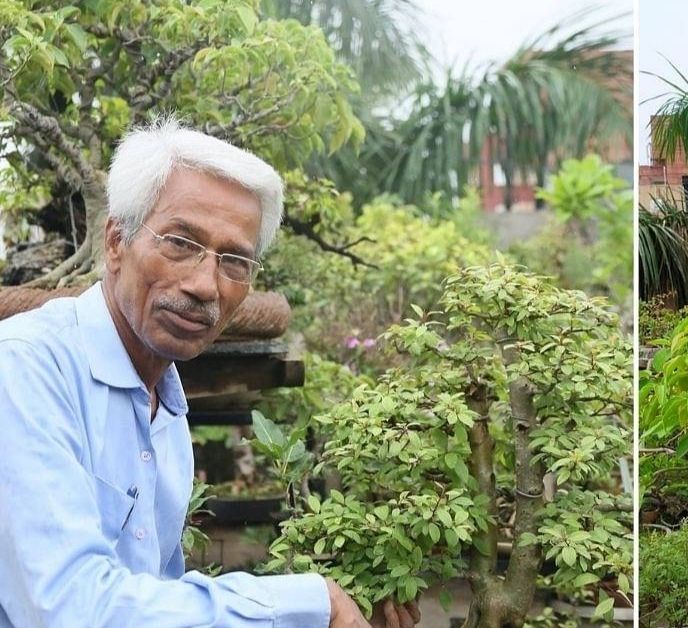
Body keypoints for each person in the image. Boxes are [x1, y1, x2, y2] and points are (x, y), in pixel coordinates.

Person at [0, 120, 420, 628]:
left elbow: (151, 597)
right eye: (179, 242)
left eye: (235, 261)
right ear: (115, 241)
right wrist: (307, 602)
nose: (206, 285)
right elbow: (68, 609)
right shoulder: (25, 370)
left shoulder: (165, 404)